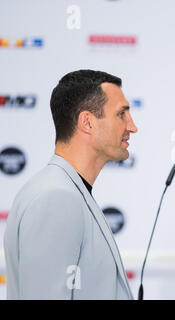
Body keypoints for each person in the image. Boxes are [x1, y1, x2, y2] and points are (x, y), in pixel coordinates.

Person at [3, 70, 138, 299]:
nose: (132, 126)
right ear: (87, 122)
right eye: (121, 114)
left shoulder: (64, 190)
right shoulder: (55, 198)